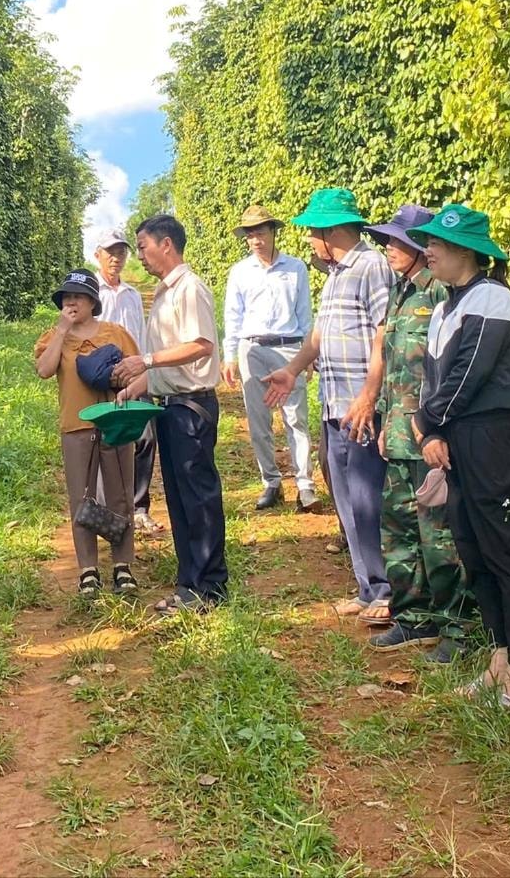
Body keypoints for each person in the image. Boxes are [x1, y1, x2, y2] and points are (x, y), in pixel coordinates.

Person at [406, 203, 510, 708]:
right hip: (457, 438)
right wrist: (431, 434)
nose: (428, 250)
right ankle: (500, 660)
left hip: (491, 439)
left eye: (437, 243)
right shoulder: (446, 307)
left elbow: (466, 375)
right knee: (475, 551)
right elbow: (435, 381)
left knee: (504, 552)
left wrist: (425, 423)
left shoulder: (492, 299)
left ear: (468, 251)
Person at [262, 188, 395, 627]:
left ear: (331, 231)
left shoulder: (371, 266)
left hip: (359, 406)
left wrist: (369, 394)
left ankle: (386, 591)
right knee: (345, 497)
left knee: (367, 498)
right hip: (334, 404)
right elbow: (319, 335)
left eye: (312, 232)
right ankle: (366, 586)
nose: (309, 240)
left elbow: (383, 332)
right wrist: (293, 370)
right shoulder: (336, 272)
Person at [364, 205, 468, 662]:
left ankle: (457, 627)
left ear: (421, 248)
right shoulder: (400, 292)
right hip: (400, 437)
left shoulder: (443, 296)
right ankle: (413, 617)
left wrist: (437, 430)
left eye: (396, 241)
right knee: (400, 529)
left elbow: (447, 372)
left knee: (440, 537)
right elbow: (392, 369)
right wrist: (386, 420)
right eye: (386, 240)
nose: (388, 247)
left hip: (430, 439)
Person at [111, 214, 226, 614]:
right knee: (178, 499)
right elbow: (161, 368)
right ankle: (189, 581)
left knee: (198, 497)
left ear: (166, 245)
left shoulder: (188, 289)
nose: (138, 255)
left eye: (142, 246)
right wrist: (131, 390)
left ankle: (210, 586)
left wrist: (145, 360)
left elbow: (200, 345)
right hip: (171, 406)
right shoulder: (163, 292)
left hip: (192, 408)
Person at [34, 269, 143, 596]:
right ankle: (88, 570)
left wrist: (130, 392)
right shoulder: (53, 337)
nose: (71, 302)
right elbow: (44, 370)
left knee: (120, 493)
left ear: (93, 301)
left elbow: (143, 375)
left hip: (115, 421)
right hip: (76, 425)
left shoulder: (116, 334)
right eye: (66, 297)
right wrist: (61, 332)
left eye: (77, 296)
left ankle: (123, 566)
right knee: (81, 497)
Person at [221, 204, 316, 511]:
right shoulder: (240, 272)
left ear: (273, 233)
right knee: (259, 421)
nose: (256, 240)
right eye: (250, 235)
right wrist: (230, 355)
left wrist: (308, 354)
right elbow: (232, 315)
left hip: (289, 348)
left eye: (261, 232)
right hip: (253, 349)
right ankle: (271, 482)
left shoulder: (296, 268)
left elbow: (305, 312)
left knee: (296, 418)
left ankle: (305, 485)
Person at [92, 227, 160, 534]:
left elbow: (142, 336)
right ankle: (105, 511)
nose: (116, 258)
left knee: (145, 437)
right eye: (110, 253)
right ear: (98, 256)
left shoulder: (133, 295)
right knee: (102, 440)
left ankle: (139, 505)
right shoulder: (90, 293)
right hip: (101, 377)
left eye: (121, 253)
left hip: (134, 373)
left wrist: (146, 369)